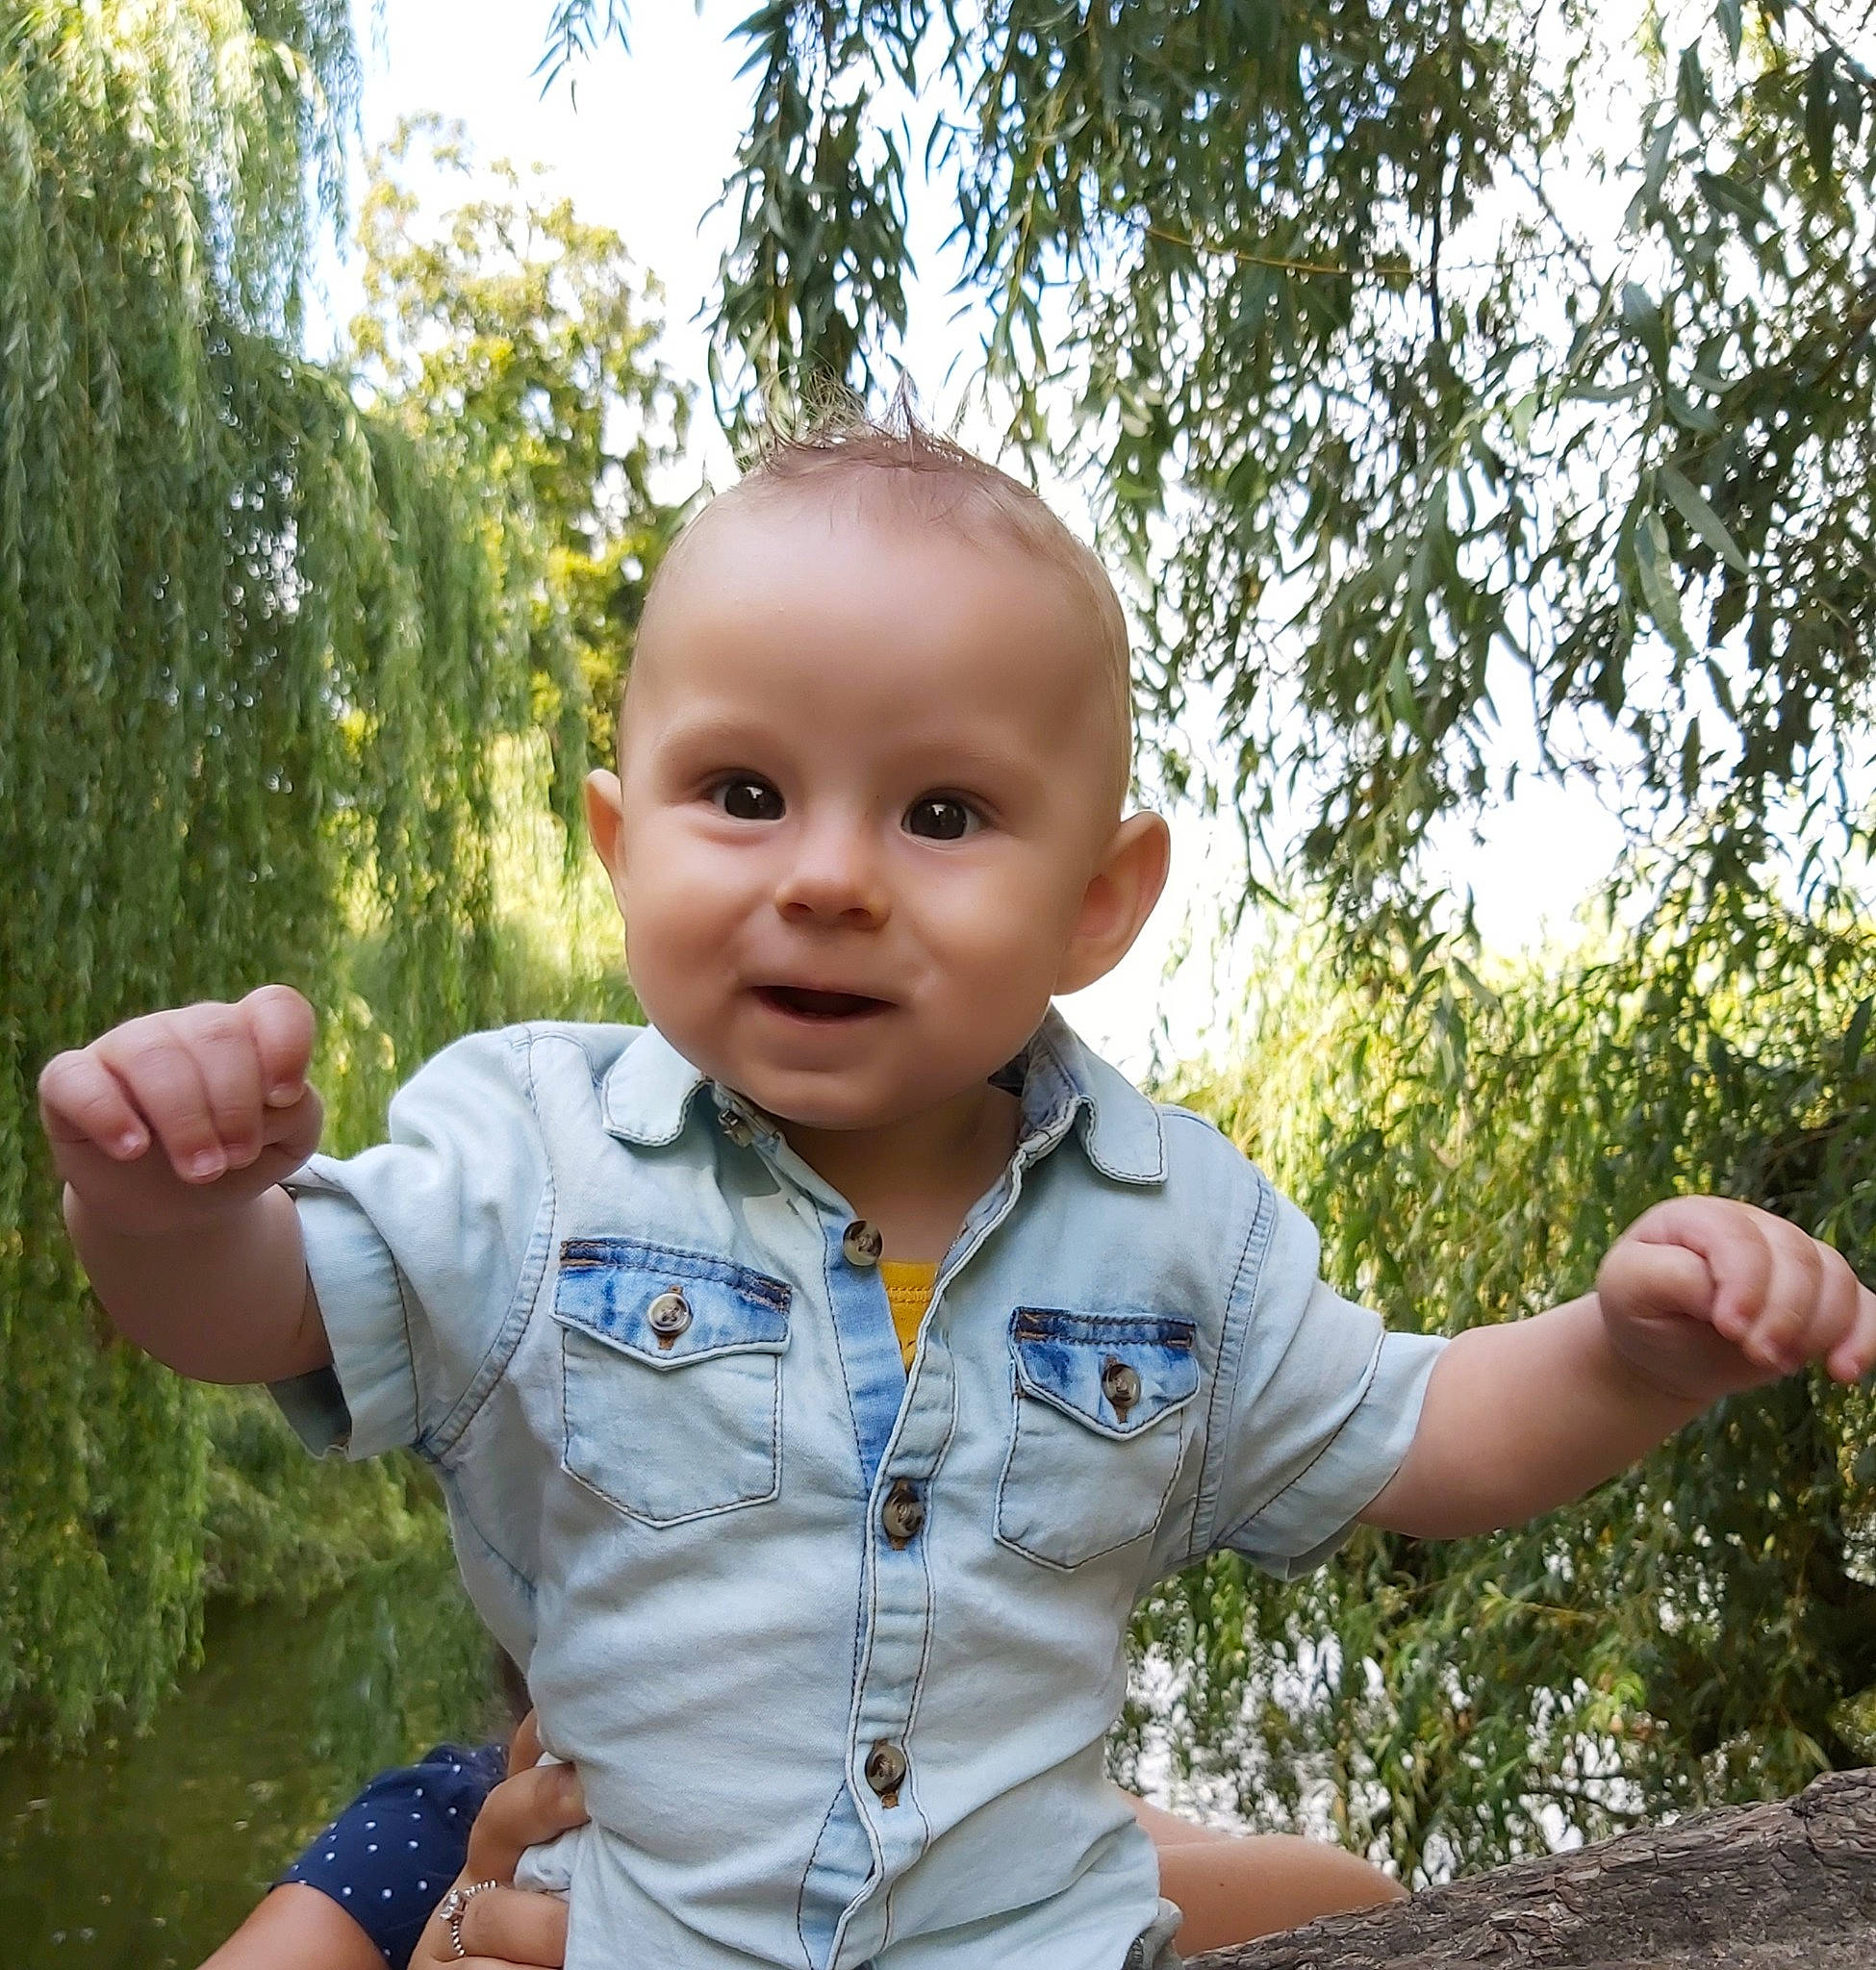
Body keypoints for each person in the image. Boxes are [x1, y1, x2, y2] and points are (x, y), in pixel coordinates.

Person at [42, 408, 1876, 1970]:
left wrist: (1632, 1352)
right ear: (621, 846)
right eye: (744, 790)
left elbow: (1419, 1436)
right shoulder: (533, 1157)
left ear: (1098, 898)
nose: (831, 876)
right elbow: (259, 1310)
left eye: (940, 814)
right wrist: (162, 1203)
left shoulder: (1177, 1230)